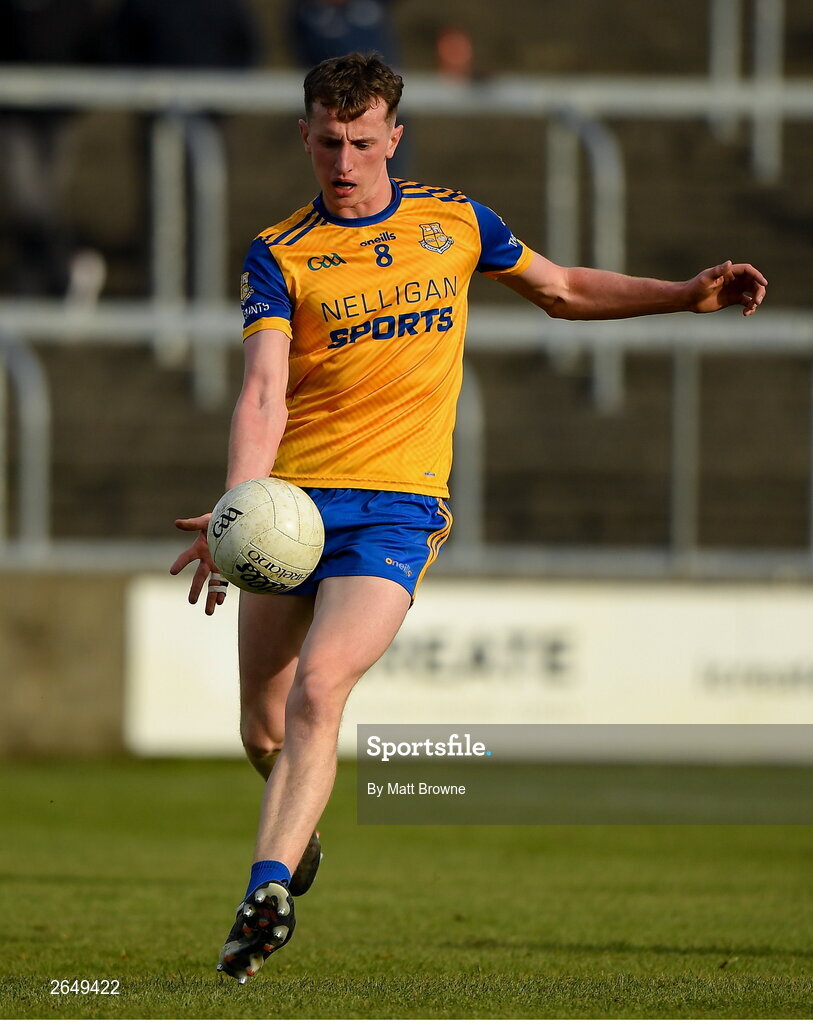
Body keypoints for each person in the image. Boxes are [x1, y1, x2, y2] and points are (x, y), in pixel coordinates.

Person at [170, 52, 767, 983]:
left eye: (361, 142)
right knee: (263, 732)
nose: (343, 161)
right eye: (327, 142)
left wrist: (683, 294)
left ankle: (266, 890)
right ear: (304, 136)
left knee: (320, 690)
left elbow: (561, 290)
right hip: (291, 507)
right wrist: (237, 510)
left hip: (397, 506)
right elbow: (262, 392)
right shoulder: (278, 251)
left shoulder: (455, 221)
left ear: (393, 137)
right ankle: (298, 831)